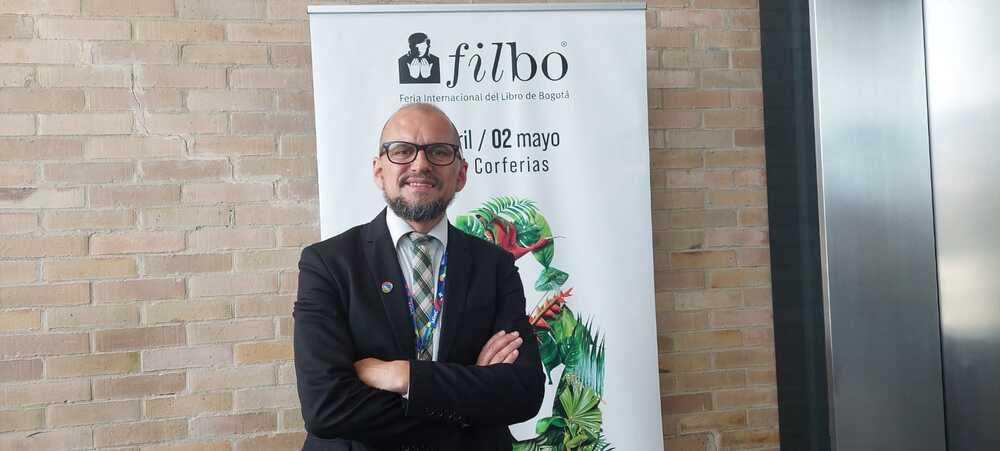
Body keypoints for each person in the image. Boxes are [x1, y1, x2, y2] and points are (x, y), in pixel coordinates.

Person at [294, 103, 545, 451]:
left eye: (439, 151)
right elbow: (326, 407)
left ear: (461, 174)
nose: (421, 164)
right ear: (379, 171)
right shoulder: (327, 264)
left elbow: (523, 392)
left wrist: (402, 376)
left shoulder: (495, 266)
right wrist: (469, 400)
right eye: (402, 151)